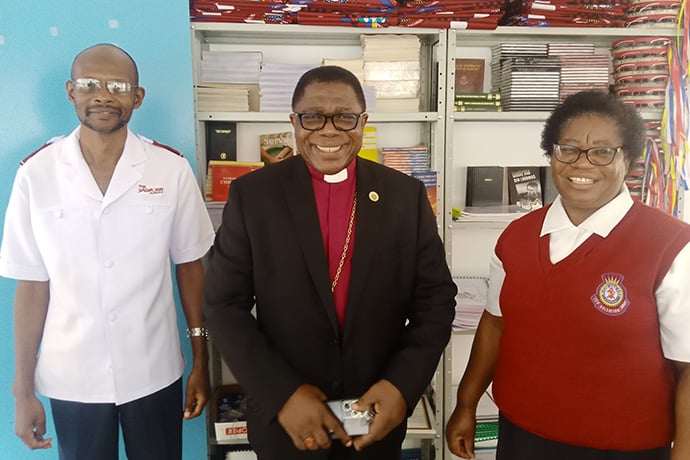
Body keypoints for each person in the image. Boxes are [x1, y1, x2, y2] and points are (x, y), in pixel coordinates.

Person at [203, 65, 457, 460]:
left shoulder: (404, 196)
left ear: (362, 122)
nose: (328, 130)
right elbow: (222, 304)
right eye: (312, 116)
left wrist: (400, 387)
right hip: (285, 419)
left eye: (344, 116)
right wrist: (281, 393)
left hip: (375, 414)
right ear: (293, 122)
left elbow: (436, 302)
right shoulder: (253, 196)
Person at [446, 89, 690, 460]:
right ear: (552, 153)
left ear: (629, 159)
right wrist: (466, 404)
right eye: (569, 149)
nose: (582, 163)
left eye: (602, 151)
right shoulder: (517, 236)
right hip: (521, 436)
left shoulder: (670, 245)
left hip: (623, 448)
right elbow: (495, 324)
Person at [0, 43, 215, 459]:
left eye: (117, 85)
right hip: (71, 376)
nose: (102, 95)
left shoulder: (170, 169)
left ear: (137, 97)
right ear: (70, 92)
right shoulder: (36, 174)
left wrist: (201, 360)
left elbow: (190, 267)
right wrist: (22, 388)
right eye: (88, 85)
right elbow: (32, 284)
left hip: (154, 370)